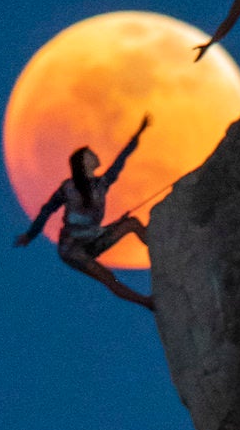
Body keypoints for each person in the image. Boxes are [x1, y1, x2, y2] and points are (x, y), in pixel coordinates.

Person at [14, 115, 155, 310]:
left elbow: (120, 162)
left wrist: (138, 134)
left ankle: (158, 245)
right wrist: (30, 234)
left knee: (131, 223)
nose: (95, 155)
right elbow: (47, 210)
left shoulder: (101, 184)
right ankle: (147, 302)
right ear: (83, 162)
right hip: (72, 248)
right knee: (108, 277)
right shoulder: (69, 187)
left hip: (95, 237)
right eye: (90, 154)